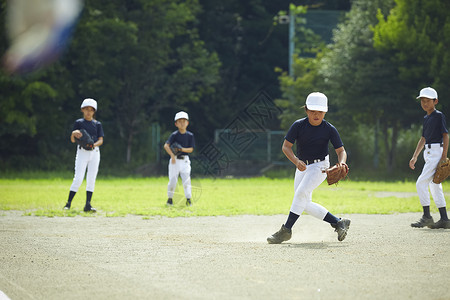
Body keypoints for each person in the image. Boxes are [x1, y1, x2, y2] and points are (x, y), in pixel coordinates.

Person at [267, 92, 351, 244]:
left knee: (300, 194)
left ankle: (286, 230)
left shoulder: (329, 129)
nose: (316, 114)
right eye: (313, 111)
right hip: (302, 166)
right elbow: (286, 147)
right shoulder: (298, 125)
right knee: (303, 203)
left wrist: (342, 162)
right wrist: (296, 161)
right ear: (306, 110)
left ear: (325, 112)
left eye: (320, 111)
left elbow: (341, 151)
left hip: (320, 166)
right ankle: (338, 222)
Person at [409, 87, 450, 229]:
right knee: (435, 185)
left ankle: (427, 216)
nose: (425, 103)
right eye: (422, 101)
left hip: (437, 152)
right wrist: (415, 157)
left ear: (435, 101)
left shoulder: (438, 116)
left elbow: (445, 135)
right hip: (428, 152)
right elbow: (423, 138)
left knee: (420, 183)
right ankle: (444, 219)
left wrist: (444, 156)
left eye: (428, 100)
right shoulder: (426, 118)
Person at [64, 98, 104, 212]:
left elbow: (101, 140)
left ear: (94, 111)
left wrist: (94, 145)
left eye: (91, 110)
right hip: (82, 152)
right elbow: (72, 140)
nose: (88, 112)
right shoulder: (79, 123)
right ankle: (68, 203)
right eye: (86, 109)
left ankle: (88, 205)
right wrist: (73, 133)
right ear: (82, 110)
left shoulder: (97, 124)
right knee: (78, 178)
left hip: (95, 153)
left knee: (91, 179)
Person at [164, 111, 195, 206]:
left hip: (185, 160)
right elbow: (166, 145)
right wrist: (172, 156)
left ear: (187, 123)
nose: (182, 123)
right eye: (180, 121)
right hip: (175, 161)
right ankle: (170, 199)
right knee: (173, 181)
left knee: (186, 181)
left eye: (184, 121)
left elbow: (191, 149)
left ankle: (188, 199)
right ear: (176, 124)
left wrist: (181, 149)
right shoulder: (174, 135)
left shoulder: (190, 136)